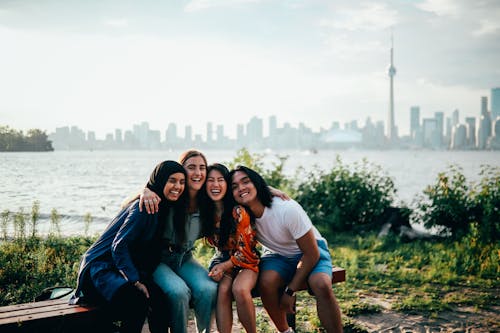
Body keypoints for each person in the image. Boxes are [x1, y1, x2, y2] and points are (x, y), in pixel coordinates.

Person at [70, 160, 187, 333]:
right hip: (100, 270)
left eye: (182, 182)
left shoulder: (162, 206)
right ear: (161, 180)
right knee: (137, 302)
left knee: (160, 302)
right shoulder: (144, 208)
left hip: (119, 270)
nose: (177, 186)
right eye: (172, 180)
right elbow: (119, 246)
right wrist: (135, 280)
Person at [229, 165, 343, 333]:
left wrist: (290, 291)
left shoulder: (286, 209)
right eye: (235, 186)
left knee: (321, 284)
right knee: (266, 283)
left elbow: (312, 253)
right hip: (279, 255)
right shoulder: (241, 215)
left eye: (246, 182)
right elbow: (215, 188)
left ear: (257, 184)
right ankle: (286, 331)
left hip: (311, 250)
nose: (241, 188)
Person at [141, 149, 218, 333]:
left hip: (185, 258)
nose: (198, 173)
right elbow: (131, 203)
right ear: (181, 170)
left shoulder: (207, 200)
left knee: (208, 289)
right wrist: (144, 191)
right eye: (191, 167)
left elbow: (235, 189)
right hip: (158, 260)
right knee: (178, 292)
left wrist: (267, 189)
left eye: (202, 168)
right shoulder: (171, 193)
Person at [202, 163, 260, 333]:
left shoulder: (237, 211)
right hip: (224, 259)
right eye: (210, 180)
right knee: (223, 290)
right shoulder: (207, 212)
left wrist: (224, 266)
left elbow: (245, 251)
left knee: (240, 289)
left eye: (220, 180)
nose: (215, 184)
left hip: (247, 259)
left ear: (227, 184)